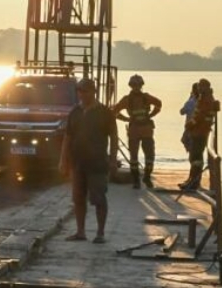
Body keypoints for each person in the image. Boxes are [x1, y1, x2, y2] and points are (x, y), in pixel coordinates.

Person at [60, 78, 118, 243]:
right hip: (77, 163)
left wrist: (113, 160)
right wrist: (63, 160)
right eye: (80, 91)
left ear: (94, 92)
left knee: (99, 198)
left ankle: (100, 233)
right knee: (78, 198)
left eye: (85, 91)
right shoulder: (75, 112)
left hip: (98, 163)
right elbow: (68, 137)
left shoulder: (105, 112)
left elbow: (114, 137)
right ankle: (80, 232)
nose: (82, 94)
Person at [113, 74, 162, 189]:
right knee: (133, 156)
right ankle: (136, 180)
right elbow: (114, 111)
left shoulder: (147, 97)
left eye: (138, 85)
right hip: (134, 130)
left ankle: (147, 177)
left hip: (146, 130)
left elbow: (159, 104)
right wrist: (126, 119)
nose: (136, 87)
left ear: (141, 85)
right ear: (130, 86)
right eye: (134, 85)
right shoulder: (126, 99)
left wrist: (151, 115)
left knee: (150, 155)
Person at [181, 78, 217, 191]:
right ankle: (192, 179)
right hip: (198, 131)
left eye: (201, 86)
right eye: (199, 87)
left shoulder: (206, 100)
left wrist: (190, 124)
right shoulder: (202, 98)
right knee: (194, 157)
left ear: (206, 87)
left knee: (196, 157)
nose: (199, 88)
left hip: (200, 131)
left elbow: (199, 116)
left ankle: (194, 182)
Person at [178, 82, 198, 153]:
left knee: (191, 150)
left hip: (190, 129)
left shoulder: (190, 102)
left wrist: (189, 98)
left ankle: (193, 162)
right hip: (201, 130)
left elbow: (182, 112)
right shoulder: (202, 102)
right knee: (198, 150)